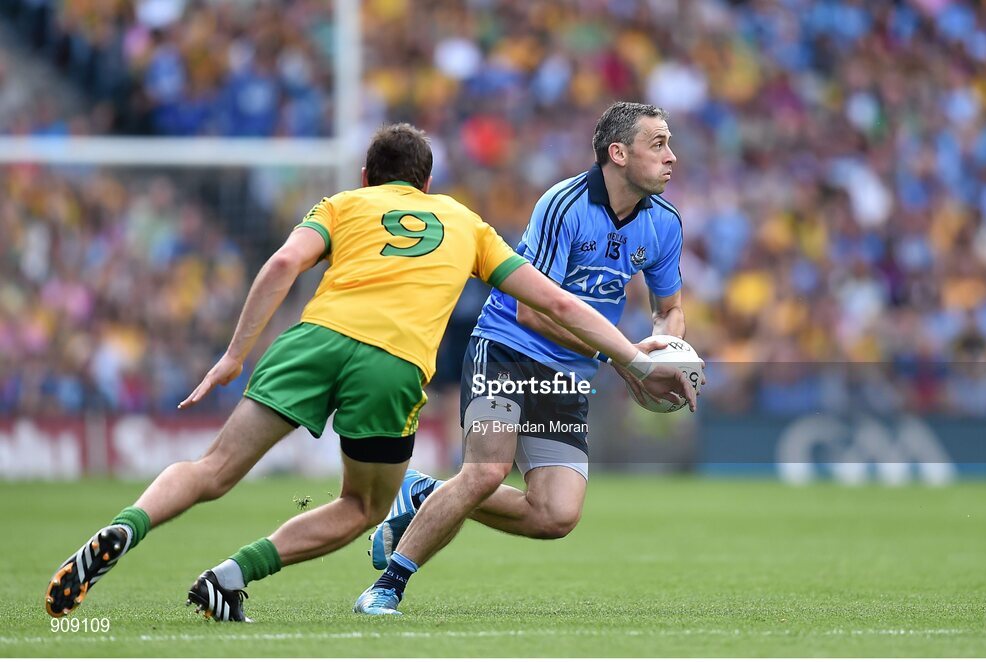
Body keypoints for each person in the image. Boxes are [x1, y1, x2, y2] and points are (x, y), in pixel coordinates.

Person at [44, 122, 693, 622]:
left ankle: (130, 528)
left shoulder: (342, 205)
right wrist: (634, 360)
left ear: (366, 173)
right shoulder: (462, 222)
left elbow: (278, 267)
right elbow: (550, 301)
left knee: (210, 470)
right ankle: (238, 573)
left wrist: (234, 355)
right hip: (392, 363)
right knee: (361, 505)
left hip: (312, 342)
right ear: (427, 183)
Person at [356, 102, 692, 616]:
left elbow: (669, 310)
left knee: (555, 515)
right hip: (509, 349)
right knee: (487, 471)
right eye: (659, 144)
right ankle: (387, 587)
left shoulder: (664, 224)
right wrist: (625, 358)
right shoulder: (564, 204)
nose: (672, 156)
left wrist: (664, 347)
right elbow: (532, 311)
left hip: (570, 372)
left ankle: (423, 492)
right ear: (618, 153)